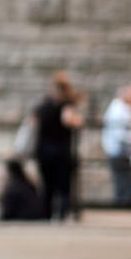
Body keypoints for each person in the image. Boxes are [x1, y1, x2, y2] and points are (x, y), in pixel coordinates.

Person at [30, 71, 84, 221]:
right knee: (63, 186)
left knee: (48, 186)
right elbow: (69, 120)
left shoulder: (44, 103)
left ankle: (46, 215)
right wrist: (79, 120)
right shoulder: (66, 104)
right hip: (60, 151)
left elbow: (32, 121)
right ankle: (61, 215)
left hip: (43, 150)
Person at [100, 84, 131, 206]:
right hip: (119, 151)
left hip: (118, 150)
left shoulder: (118, 108)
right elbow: (120, 133)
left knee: (122, 183)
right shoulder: (119, 109)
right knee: (124, 186)